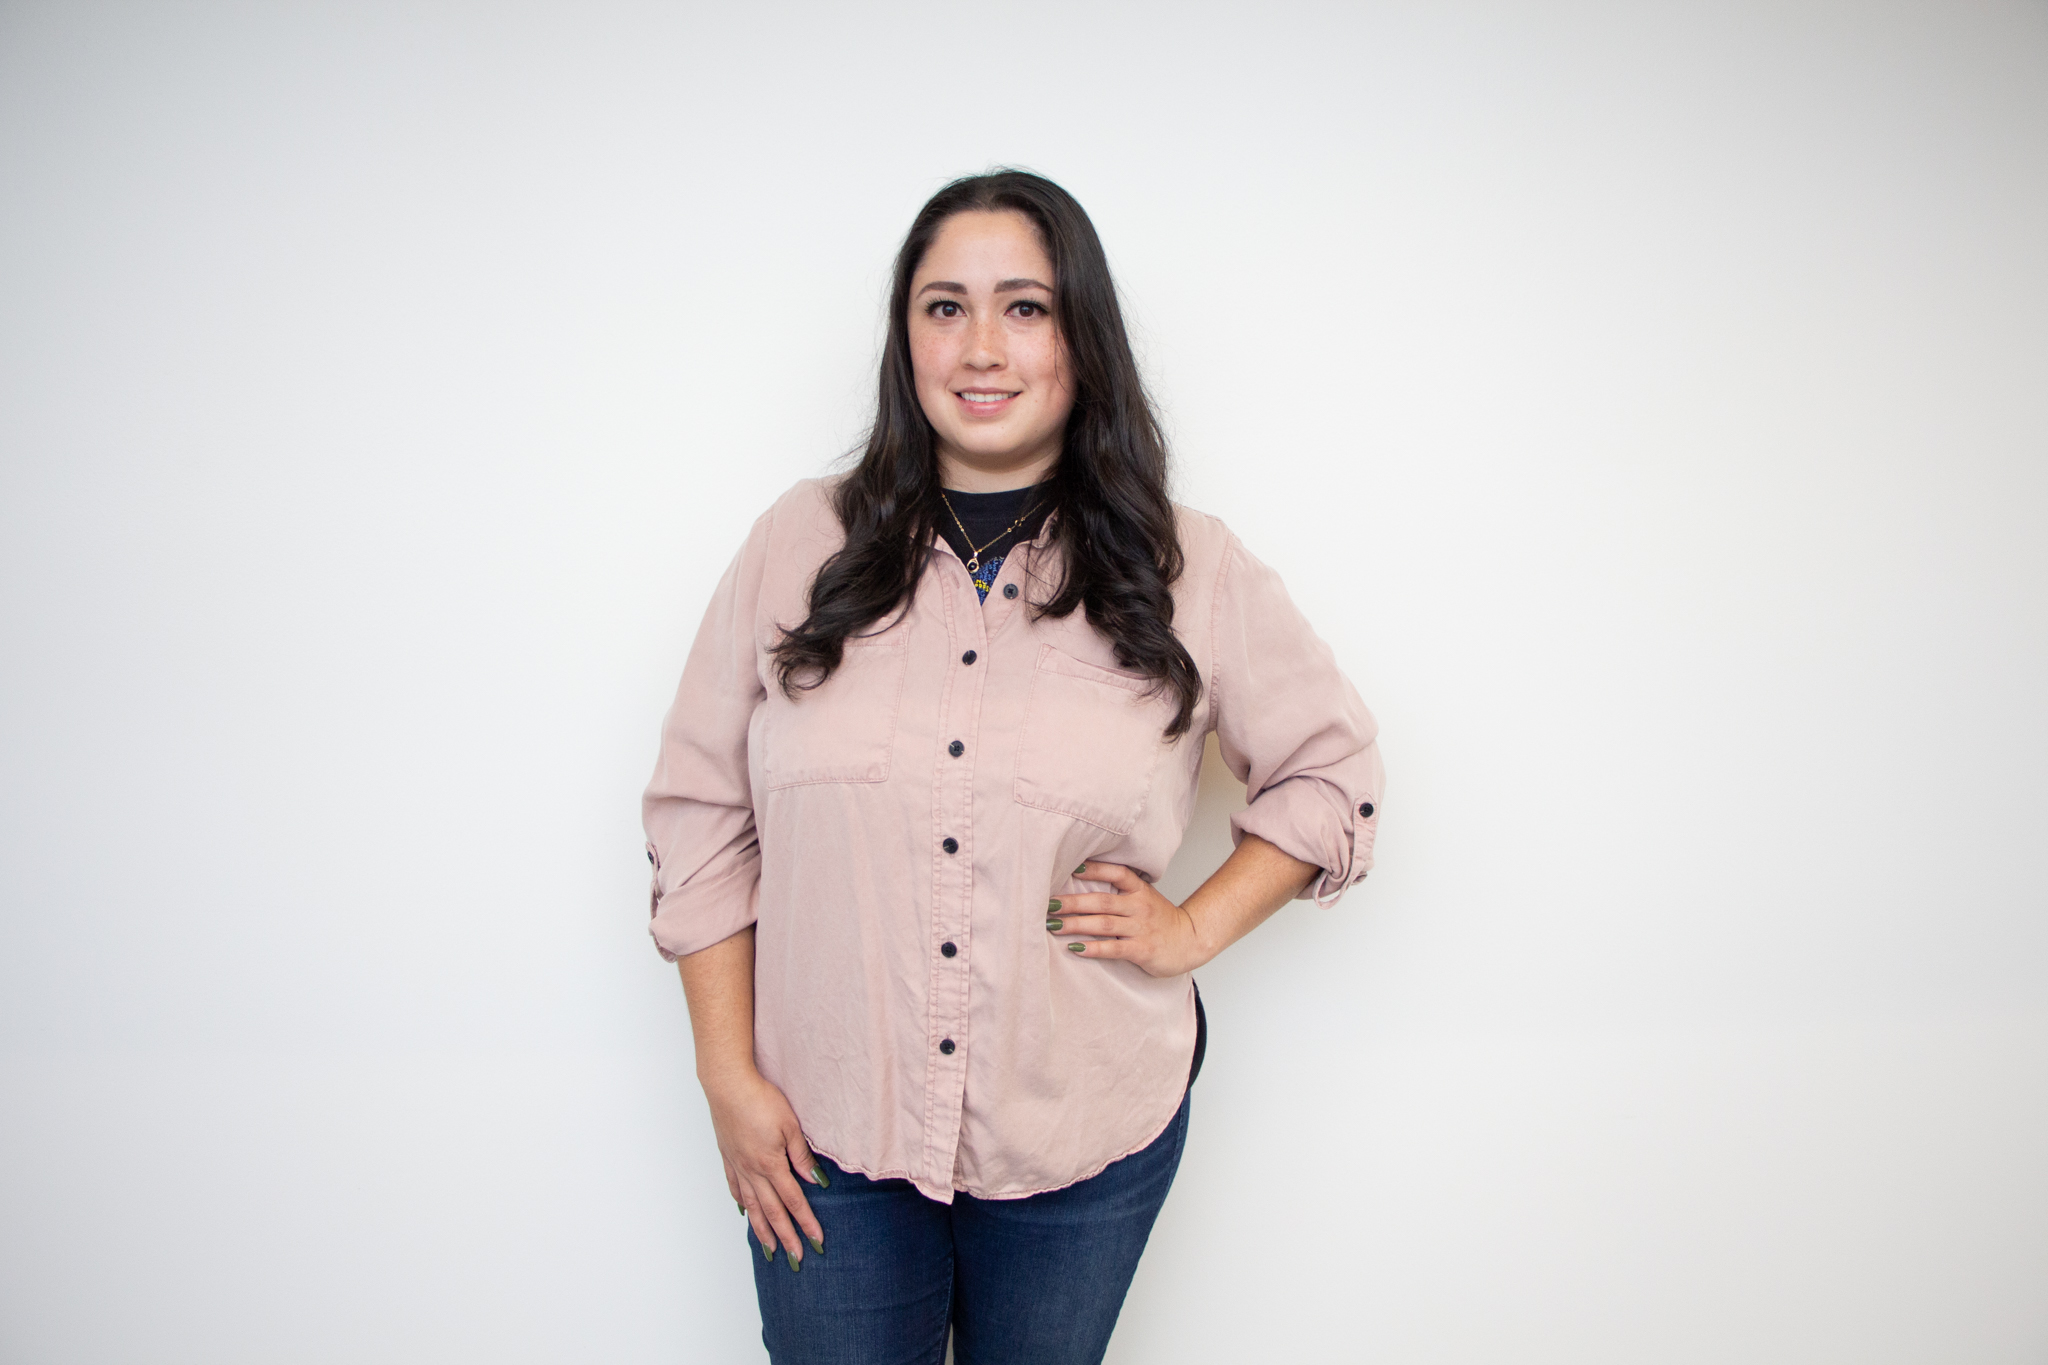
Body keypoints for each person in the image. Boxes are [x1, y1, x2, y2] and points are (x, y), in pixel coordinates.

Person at [642, 169, 1383, 1365]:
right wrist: (725, 1077)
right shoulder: (798, 541)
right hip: (820, 1133)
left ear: (1078, 334)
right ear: (904, 338)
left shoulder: (1187, 564)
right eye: (943, 306)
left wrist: (1191, 931)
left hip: (1080, 1128)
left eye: (1023, 307)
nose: (980, 346)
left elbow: (1329, 773)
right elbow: (700, 819)